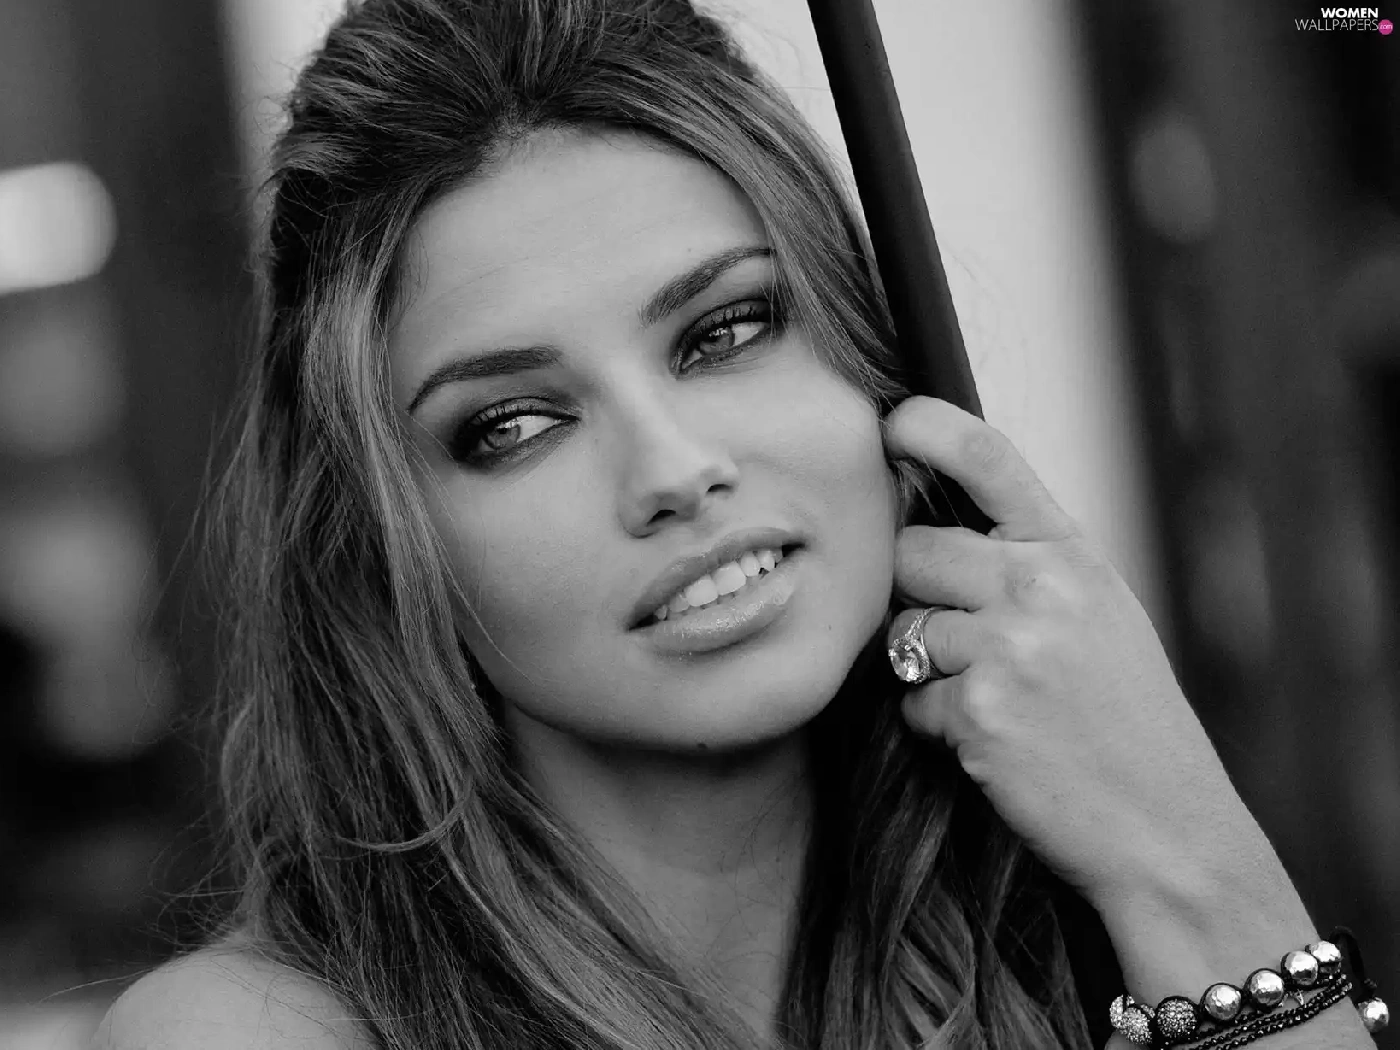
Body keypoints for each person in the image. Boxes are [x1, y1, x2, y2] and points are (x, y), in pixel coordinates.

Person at [96, 1, 1382, 1048]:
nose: (673, 470)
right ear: (382, 543)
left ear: (869, 365)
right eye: (513, 423)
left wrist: (1192, 867)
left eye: (722, 333)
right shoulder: (251, 1035)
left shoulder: (1080, 935)